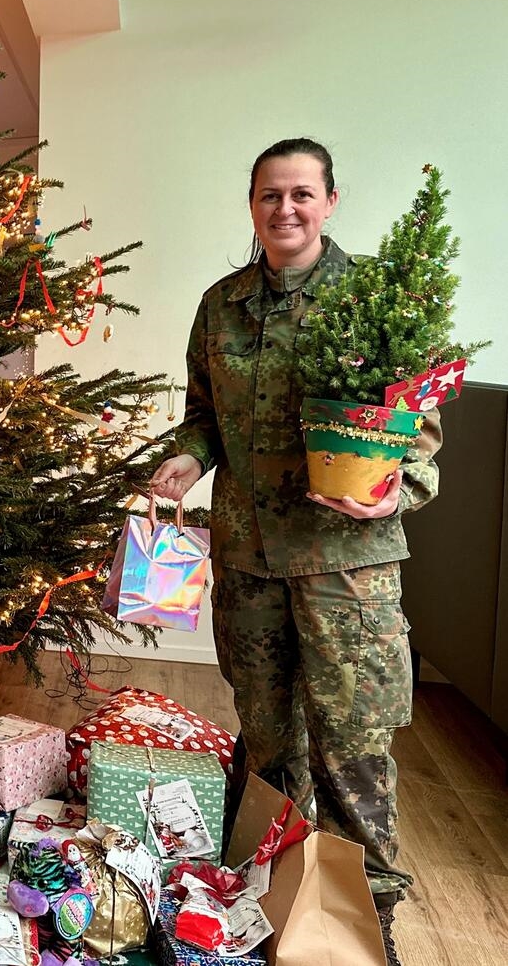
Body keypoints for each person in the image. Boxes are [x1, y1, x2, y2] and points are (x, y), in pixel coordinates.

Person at [150, 137, 439, 966]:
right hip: (248, 563)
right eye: (270, 195)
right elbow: (202, 412)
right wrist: (189, 457)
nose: (285, 209)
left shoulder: (374, 299)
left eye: (302, 194)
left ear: (331, 200)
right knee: (267, 737)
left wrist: (390, 489)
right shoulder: (221, 304)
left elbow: (421, 429)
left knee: (352, 749)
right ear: (252, 205)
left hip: (347, 568)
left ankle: (361, 922)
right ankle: (266, 896)